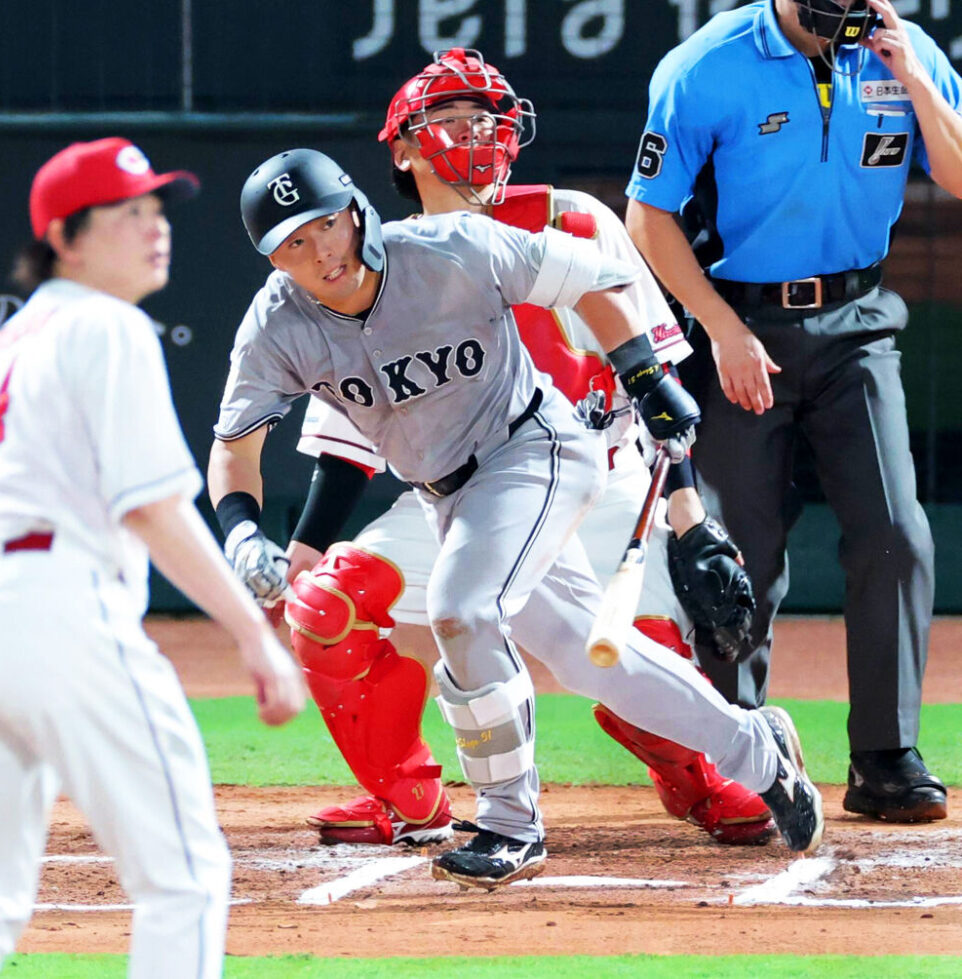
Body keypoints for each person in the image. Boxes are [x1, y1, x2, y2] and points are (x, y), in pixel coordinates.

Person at [210, 145, 824, 891]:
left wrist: (644, 377)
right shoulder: (276, 325)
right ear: (274, 259)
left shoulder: (452, 246)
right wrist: (242, 531)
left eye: (327, 224)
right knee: (587, 655)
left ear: (356, 212)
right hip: (449, 493)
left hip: (537, 447)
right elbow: (235, 451)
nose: (321, 251)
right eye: (293, 244)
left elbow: (591, 277)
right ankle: (759, 749)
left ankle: (508, 819)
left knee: (463, 609)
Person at [280, 48, 771, 851]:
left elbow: (657, 388)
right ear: (401, 148)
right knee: (327, 604)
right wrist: (302, 552)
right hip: (457, 496)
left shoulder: (571, 218)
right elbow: (343, 445)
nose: (473, 132)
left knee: (636, 648)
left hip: (599, 479)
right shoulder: (376, 259)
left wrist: (689, 518)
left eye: (485, 116)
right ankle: (405, 796)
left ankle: (701, 773)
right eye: (449, 119)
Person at [0, 137, 305, 979]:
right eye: (128, 213)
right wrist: (252, 636)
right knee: (182, 878)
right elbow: (149, 505)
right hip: (59, 616)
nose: (156, 229)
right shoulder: (105, 326)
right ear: (64, 240)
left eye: (157, 210)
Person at [625, 0, 958, 823]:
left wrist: (915, 83)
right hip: (740, 324)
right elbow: (648, 216)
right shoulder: (707, 64)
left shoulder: (900, 49)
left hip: (858, 326)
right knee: (740, 556)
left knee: (896, 532)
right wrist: (720, 326)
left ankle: (886, 755)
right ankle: (739, 757)